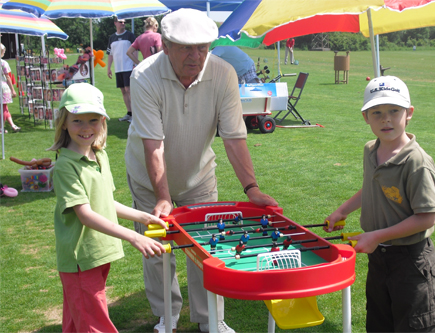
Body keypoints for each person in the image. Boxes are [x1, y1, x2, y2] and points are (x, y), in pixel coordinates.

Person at [124, 8, 278, 333]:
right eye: (186, 48)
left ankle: (212, 320)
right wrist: (163, 197)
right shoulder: (144, 76)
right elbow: (154, 145)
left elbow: (234, 138)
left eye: (202, 47)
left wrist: (252, 189)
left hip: (200, 178)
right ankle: (167, 316)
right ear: (165, 45)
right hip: (148, 180)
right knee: (157, 250)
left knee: (208, 248)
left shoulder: (223, 74)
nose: (196, 56)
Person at [47, 83, 168, 333]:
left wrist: (144, 217)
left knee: (78, 315)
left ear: (103, 121)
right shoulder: (65, 167)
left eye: (93, 120)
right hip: (81, 259)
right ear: (64, 122)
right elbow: (86, 214)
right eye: (77, 120)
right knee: (93, 321)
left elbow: (105, 202)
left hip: (99, 252)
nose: (86, 127)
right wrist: (133, 236)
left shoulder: (99, 155)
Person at [324, 76, 435, 332]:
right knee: (379, 322)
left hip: (410, 260)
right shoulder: (370, 149)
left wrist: (376, 235)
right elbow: (372, 188)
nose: (385, 119)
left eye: (394, 111)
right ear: (366, 117)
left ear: (409, 113)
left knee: (414, 325)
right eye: (376, 112)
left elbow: (426, 217)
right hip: (379, 257)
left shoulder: (416, 162)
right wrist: (342, 211)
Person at [107, 17, 136, 123]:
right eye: (120, 22)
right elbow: (110, 54)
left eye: (124, 22)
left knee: (129, 90)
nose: (123, 24)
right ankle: (129, 113)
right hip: (118, 68)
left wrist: (134, 63)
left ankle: (135, 115)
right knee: (123, 91)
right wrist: (109, 67)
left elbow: (135, 49)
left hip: (128, 67)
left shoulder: (130, 35)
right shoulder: (112, 38)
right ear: (115, 23)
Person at [1, 43, 21, 133]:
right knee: (4, 108)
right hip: (3, 87)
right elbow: (8, 77)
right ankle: (1, 128)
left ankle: (12, 125)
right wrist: (13, 90)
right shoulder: (3, 63)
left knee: (5, 108)